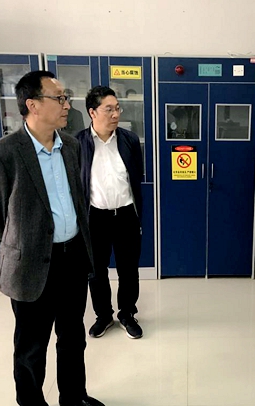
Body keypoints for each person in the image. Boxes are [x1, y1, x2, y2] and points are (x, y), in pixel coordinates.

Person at [0, 70, 106, 406]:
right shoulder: (1, 155)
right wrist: (24, 244)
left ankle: (73, 393)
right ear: (32, 105)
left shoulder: (71, 146)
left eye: (66, 97)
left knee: (72, 334)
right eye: (59, 98)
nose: (67, 105)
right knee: (31, 345)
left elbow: (77, 199)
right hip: (32, 263)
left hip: (72, 256)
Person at [75, 86, 144, 340]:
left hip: (126, 214)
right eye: (109, 109)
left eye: (117, 108)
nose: (116, 114)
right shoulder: (77, 143)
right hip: (95, 217)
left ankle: (127, 313)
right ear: (92, 112)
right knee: (96, 270)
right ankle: (103, 315)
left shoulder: (129, 140)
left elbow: (136, 176)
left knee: (129, 269)